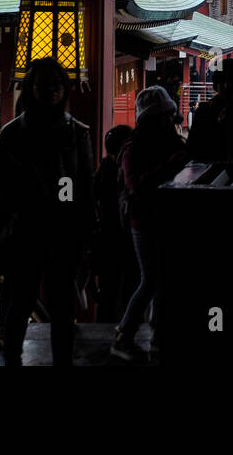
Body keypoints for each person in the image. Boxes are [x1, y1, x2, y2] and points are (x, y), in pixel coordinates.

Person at [0, 58, 95, 366]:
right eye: (43, 85)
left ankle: (62, 361)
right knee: (19, 303)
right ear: (30, 89)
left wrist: (86, 230)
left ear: (64, 90)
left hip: (64, 231)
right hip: (24, 229)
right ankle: (13, 358)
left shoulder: (77, 133)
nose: (50, 91)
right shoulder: (10, 135)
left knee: (62, 308)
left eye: (57, 85)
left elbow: (85, 186)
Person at [111, 86, 187, 361]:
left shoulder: (174, 144)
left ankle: (158, 332)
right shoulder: (132, 151)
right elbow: (138, 186)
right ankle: (124, 333)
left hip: (166, 219)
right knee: (150, 280)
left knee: (162, 280)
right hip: (142, 221)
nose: (169, 121)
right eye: (164, 116)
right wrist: (170, 165)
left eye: (170, 115)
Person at [94, 125, 135, 324]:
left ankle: (104, 331)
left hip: (106, 238)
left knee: (108, 293)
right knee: (127, 290)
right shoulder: (124, 173)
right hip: (122, 238)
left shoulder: (101, 172)